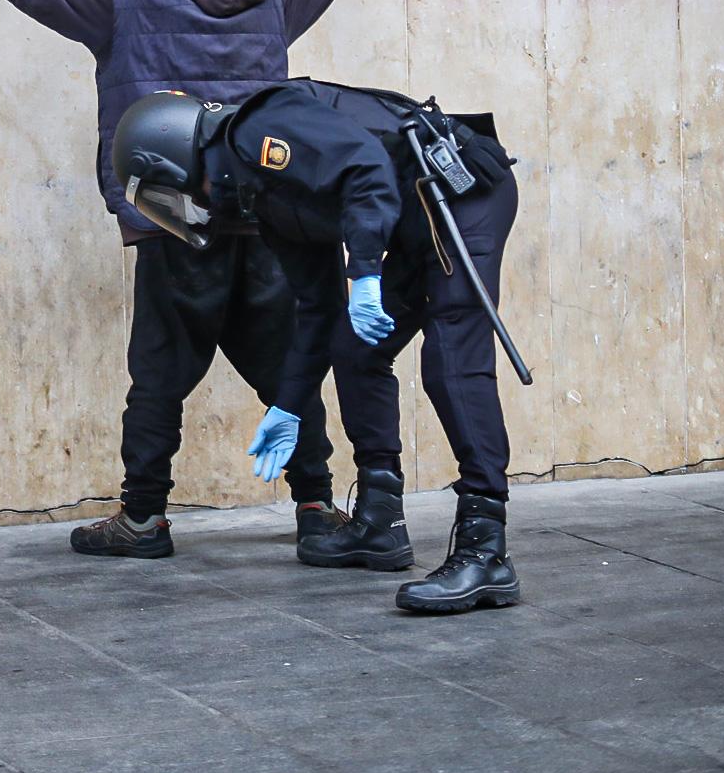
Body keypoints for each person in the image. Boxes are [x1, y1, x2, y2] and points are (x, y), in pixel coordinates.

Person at [0, 0, 347, 558]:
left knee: (158, 375)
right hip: (263, 215)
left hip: (175, 216)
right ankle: (317, 506)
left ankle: (143, 518)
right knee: (286, 369)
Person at [111, 81, 523, 613]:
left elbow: (366, 169)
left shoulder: (262, 127)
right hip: (411, 219)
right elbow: (317, 310)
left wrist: (367, 275)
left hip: (460, 197)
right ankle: (380, 521)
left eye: (175, 192)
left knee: (451, 361)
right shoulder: (262, 197)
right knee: (354, 349)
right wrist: (287, 405)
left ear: (176, 161)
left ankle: (485, 549)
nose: (192, 204)